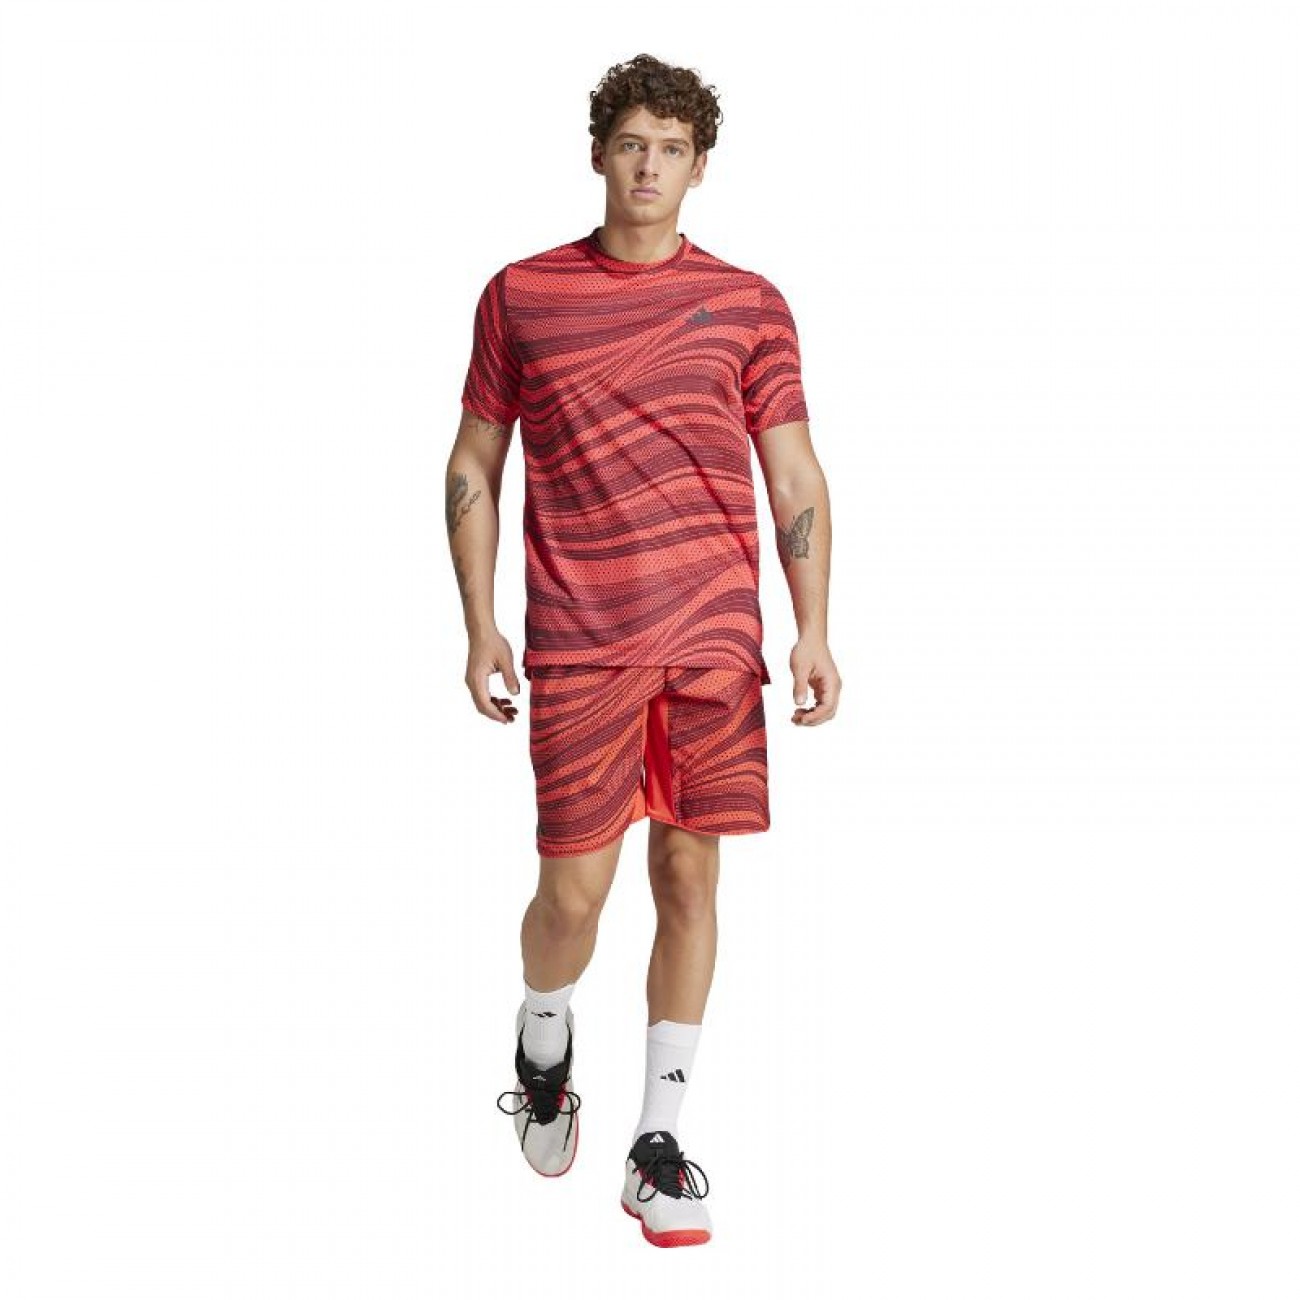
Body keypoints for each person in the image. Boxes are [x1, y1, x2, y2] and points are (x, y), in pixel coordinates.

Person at [446, 53, 840, 1248]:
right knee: (572, 895)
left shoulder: (751, 303)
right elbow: (473, 463)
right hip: (580, 640)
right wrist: (478, 624)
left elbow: (793, 474)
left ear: (699, 166)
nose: (649, 166)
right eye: (631, 144)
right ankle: (544, 1029)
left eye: (671, 148)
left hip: (713, 642)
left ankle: (655, 1143)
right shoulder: (522, 294)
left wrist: (814, 627)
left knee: (688, 881)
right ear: (599, 155)